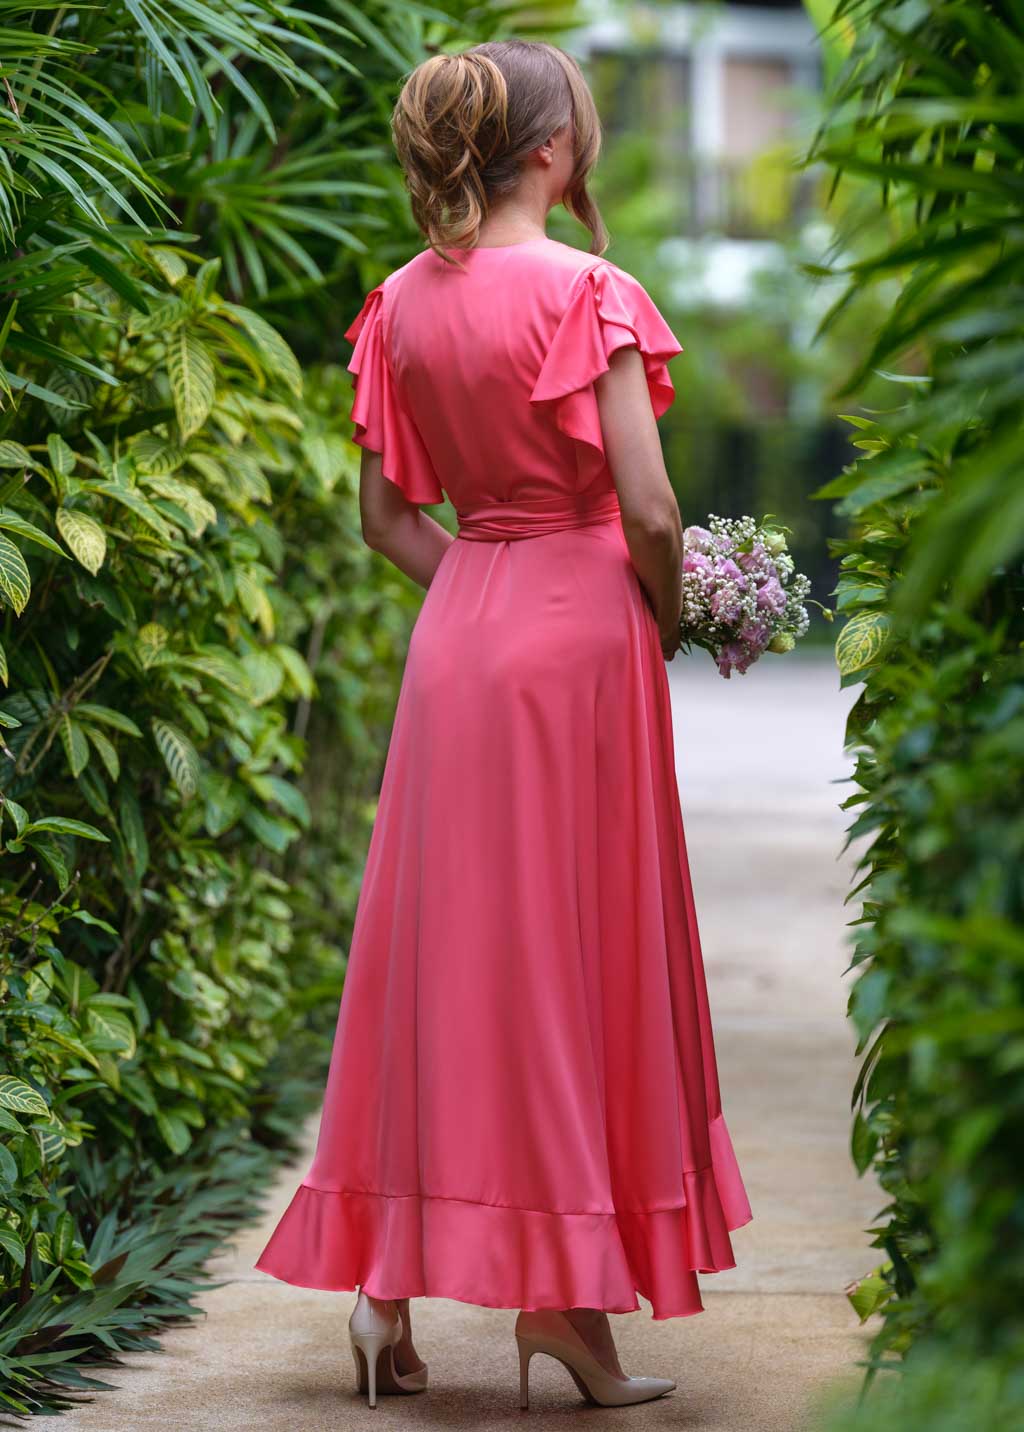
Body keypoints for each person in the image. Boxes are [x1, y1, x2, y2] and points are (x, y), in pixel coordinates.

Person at [254, 37, 752, 1411]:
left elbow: (384, 520)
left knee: (441, 956)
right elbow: (649, 510)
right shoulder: (591, 292)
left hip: (458, 642)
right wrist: (662, 608)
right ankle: (569, 1313)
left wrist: (486, 586)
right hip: (581, 644)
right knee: (572, 960)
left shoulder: (399, 307)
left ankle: (380, 1292)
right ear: (554, 152)